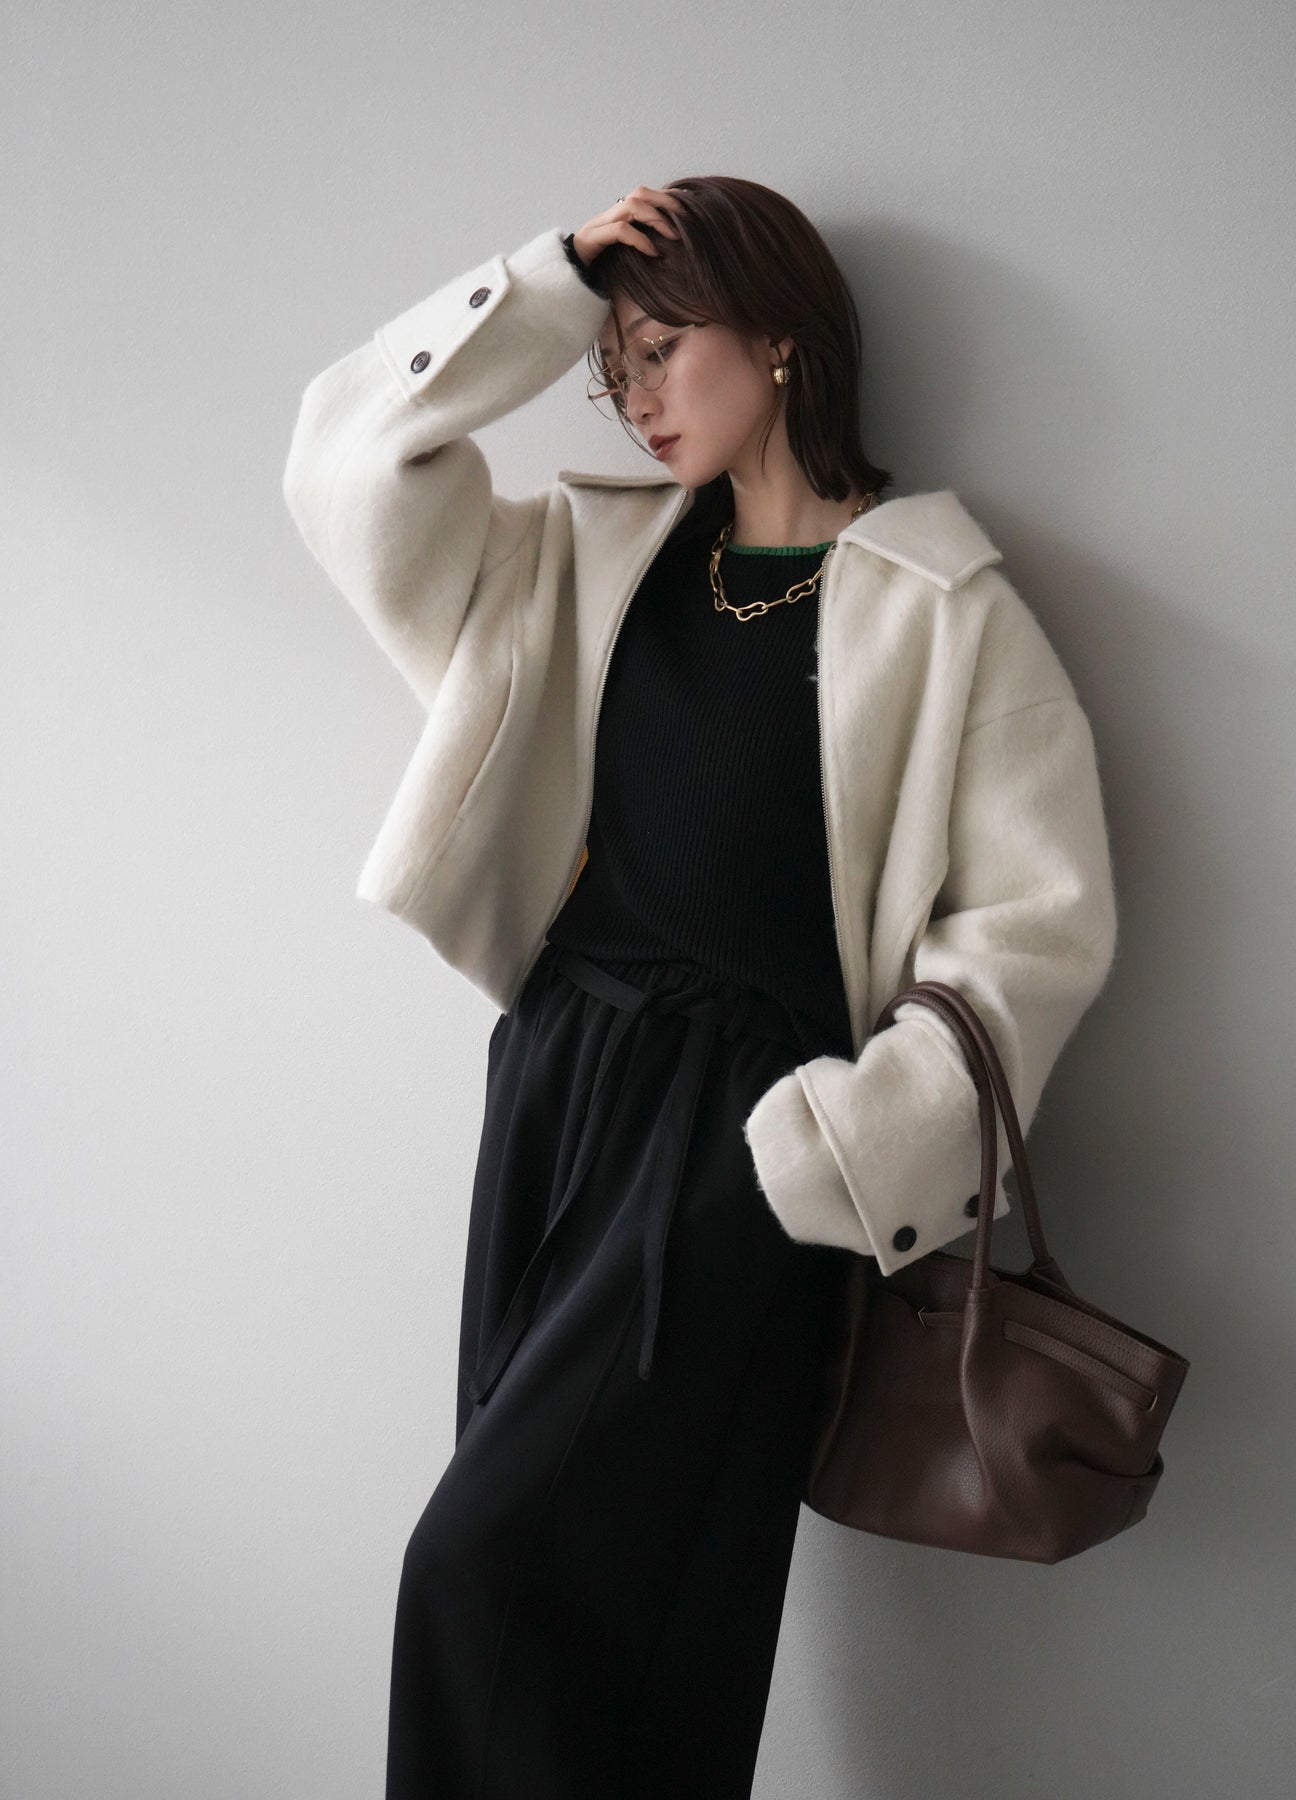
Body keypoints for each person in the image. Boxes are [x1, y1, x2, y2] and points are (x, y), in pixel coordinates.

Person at [281, 176, 1118, 1799]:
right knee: (594, 1625)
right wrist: (553, 281)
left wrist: (843, 1149)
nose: (636, 396)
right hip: (555, 1087)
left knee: (485, 1570)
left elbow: (1035, 925)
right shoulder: (580, 560)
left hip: (750, 1143)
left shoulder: (942, 610)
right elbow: (344, 467)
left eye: (662, 350)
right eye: (614, 371)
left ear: (781, 339)